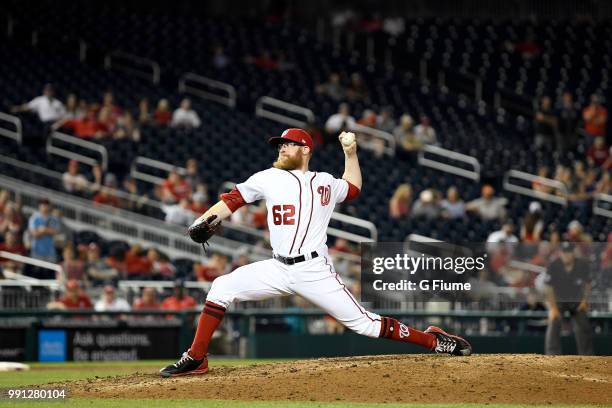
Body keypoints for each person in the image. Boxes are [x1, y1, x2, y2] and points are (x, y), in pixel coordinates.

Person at [159, 128, 471, 377]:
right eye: (280, 145)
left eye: (289, 144)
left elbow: (353, 187)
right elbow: (231, 200)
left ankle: (432, 339)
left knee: (365, 325)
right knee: (221, 287)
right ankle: (197, 357)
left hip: (313, 270)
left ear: (306, 150)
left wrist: (351, 153)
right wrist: (204, 220)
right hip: (278, 267)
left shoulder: (323, 181)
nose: (282, 148)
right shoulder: (267, 178)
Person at [544, 242, 593, 355]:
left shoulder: (582, 264)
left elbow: (588, 284)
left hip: (576, 300)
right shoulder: (554, 265)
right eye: (564, 252)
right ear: (560, 253)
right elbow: (548, 288)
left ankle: (587, 356)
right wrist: (553, 307)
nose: (566, 255)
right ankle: (552, 355)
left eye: (569, 252)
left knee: (583, 323)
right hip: (559, 300)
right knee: (553, 321)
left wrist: (584, 300)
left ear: (573, 253)